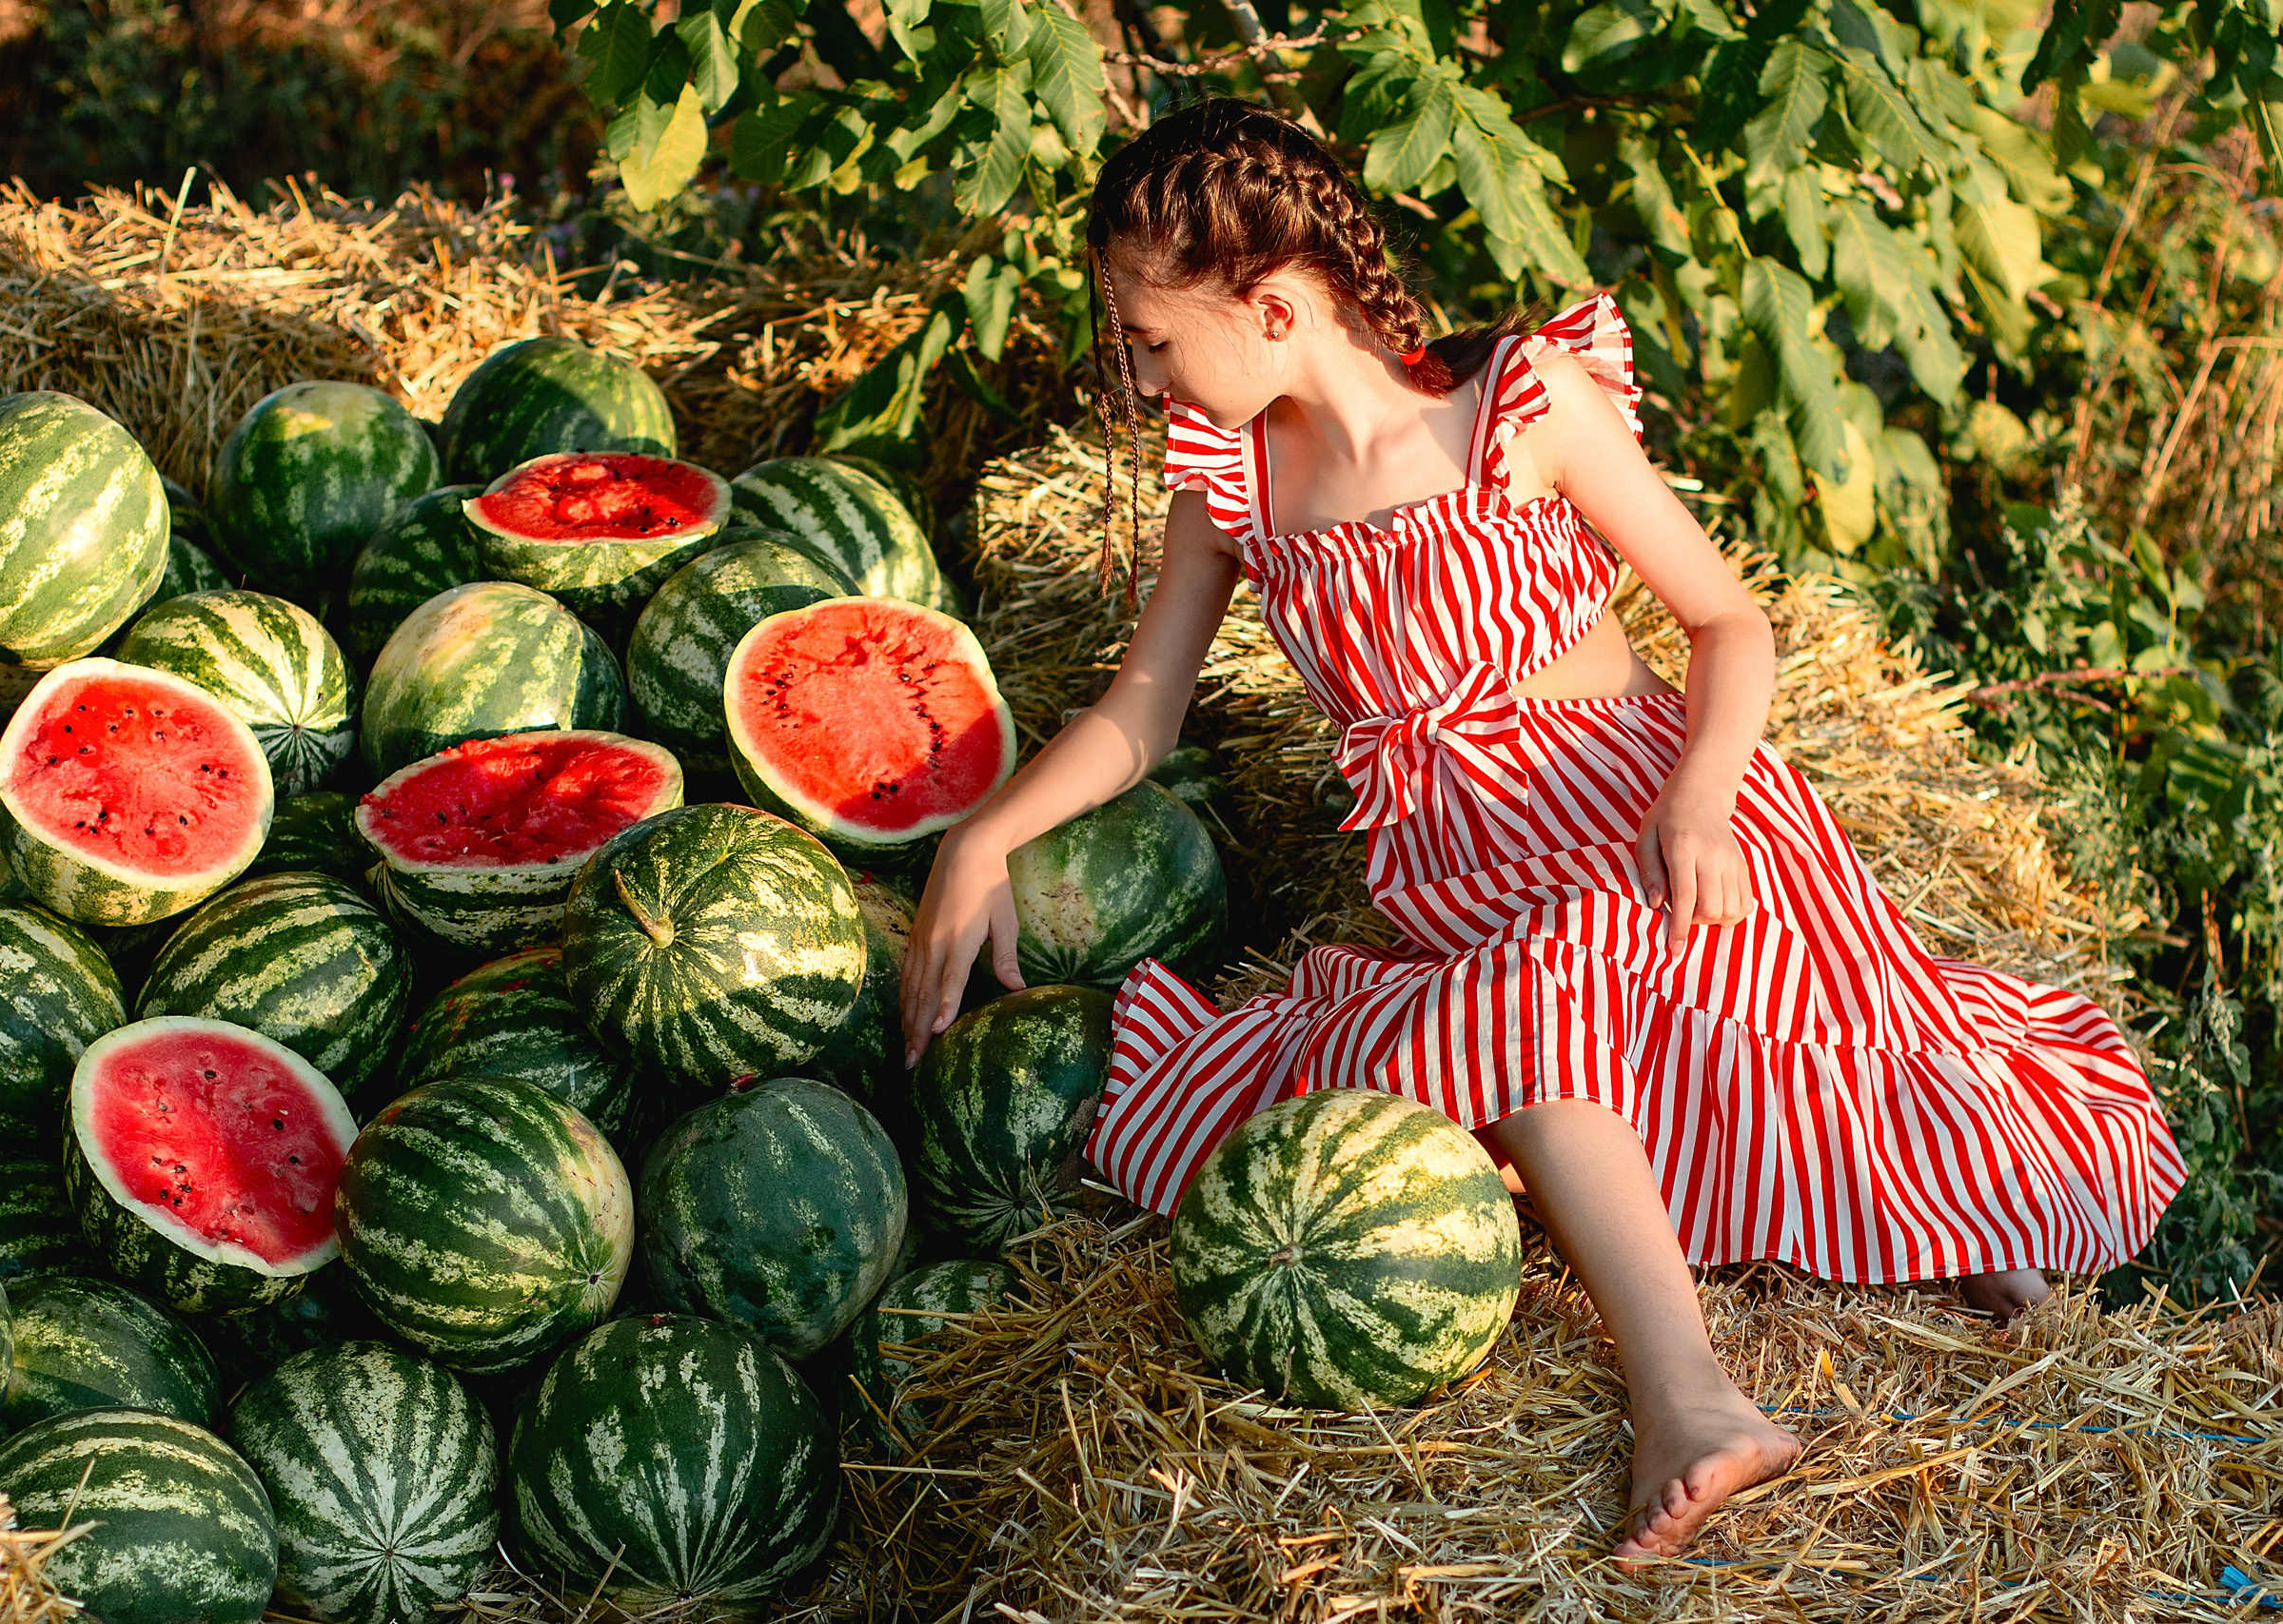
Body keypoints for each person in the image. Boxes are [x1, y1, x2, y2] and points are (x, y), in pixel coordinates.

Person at [896, 97, 2186, 1564]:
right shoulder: (1233, 479)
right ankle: (1841, 1295)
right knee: (1504, 1030)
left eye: (1148, 335)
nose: (1137, 376)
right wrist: (981, 840)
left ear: (1268, 305)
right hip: (1466, 876)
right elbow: (1146, 708)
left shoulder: (1516, 405)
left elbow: (1729, 623)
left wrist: (1700, 802)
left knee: (1629, 1034)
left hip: (1639, 814)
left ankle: (1696, 1394)